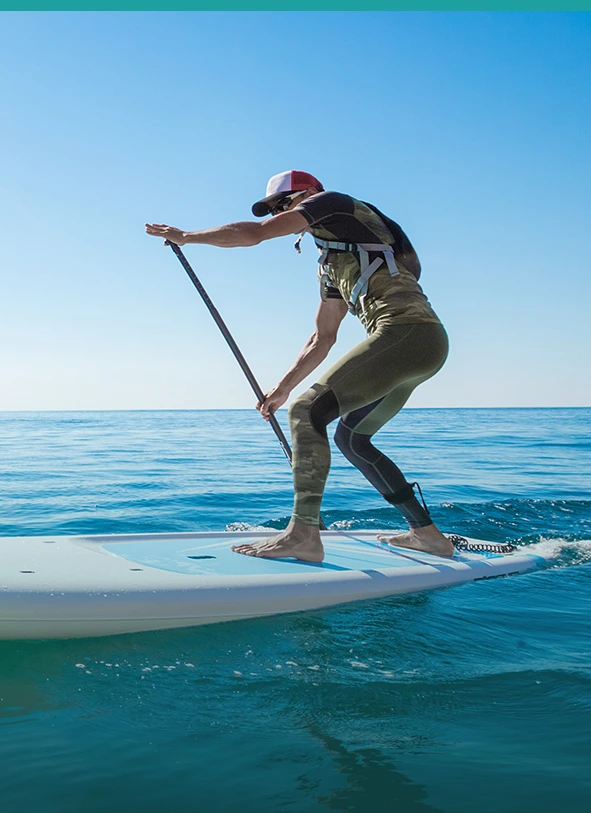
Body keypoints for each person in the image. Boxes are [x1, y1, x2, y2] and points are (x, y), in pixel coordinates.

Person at [146, 170, 453, 562]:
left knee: (307, 412)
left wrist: (186, 237)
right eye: (275, 207)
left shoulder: (334, 202)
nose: (280, 212)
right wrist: (282, 389)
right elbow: (322, 337)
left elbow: (255, 234)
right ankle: (427, 535)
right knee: (352, 439)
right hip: (419, 348)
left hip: (409, 334)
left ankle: (303, 535)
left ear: (309, 193)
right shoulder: (331, 264)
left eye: (284, 203)